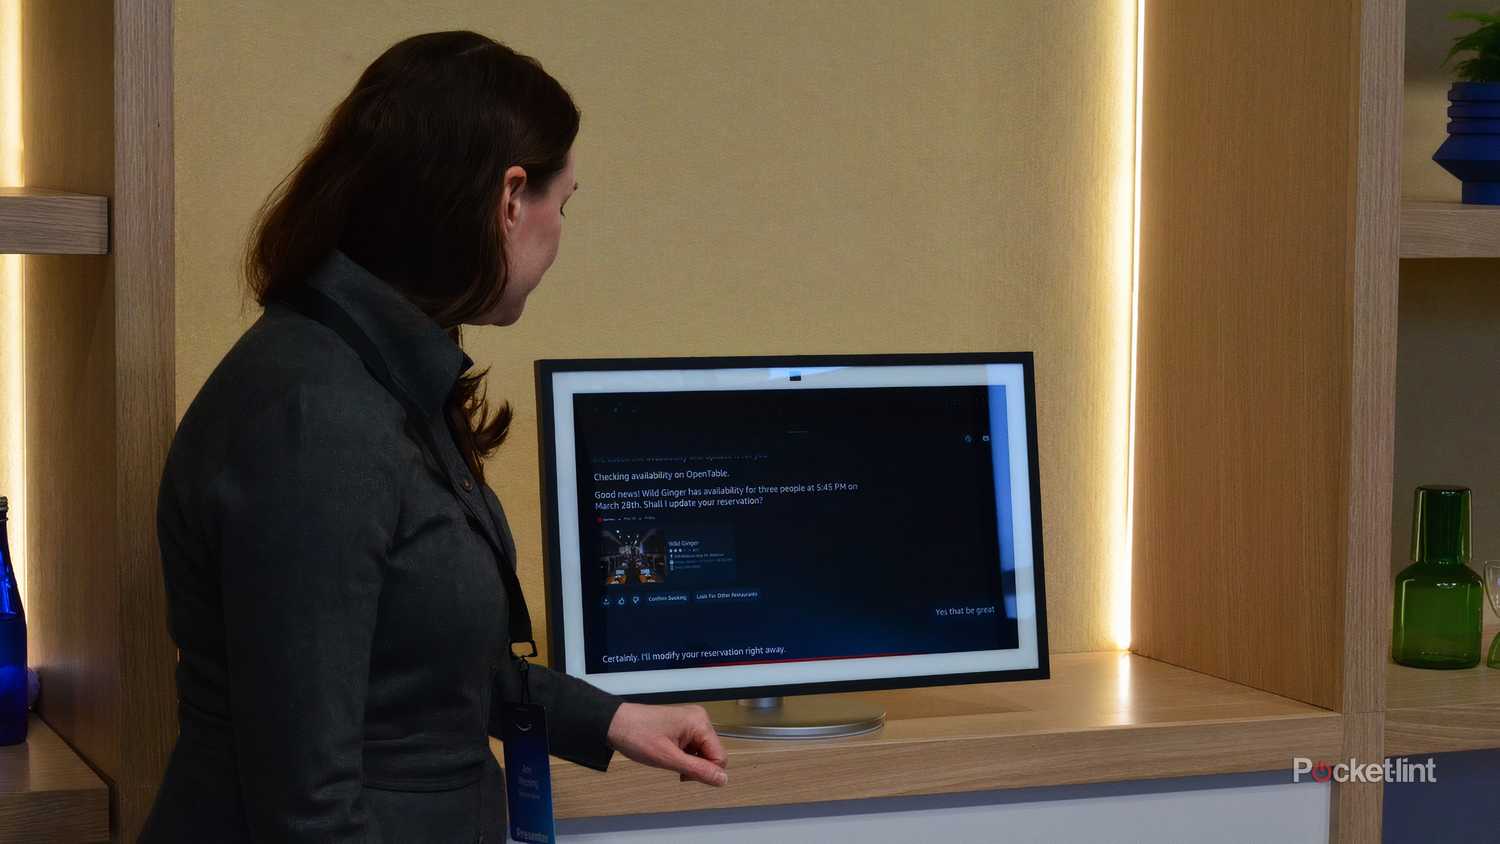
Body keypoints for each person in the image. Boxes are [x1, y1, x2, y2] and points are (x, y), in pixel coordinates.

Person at [141, 30, 727, 843]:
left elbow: (412, 662)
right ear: (510, 199)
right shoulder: (318, 422)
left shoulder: (373, 370)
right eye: (565, 204)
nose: (561, 230)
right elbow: (306, 803)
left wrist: (612, 719)